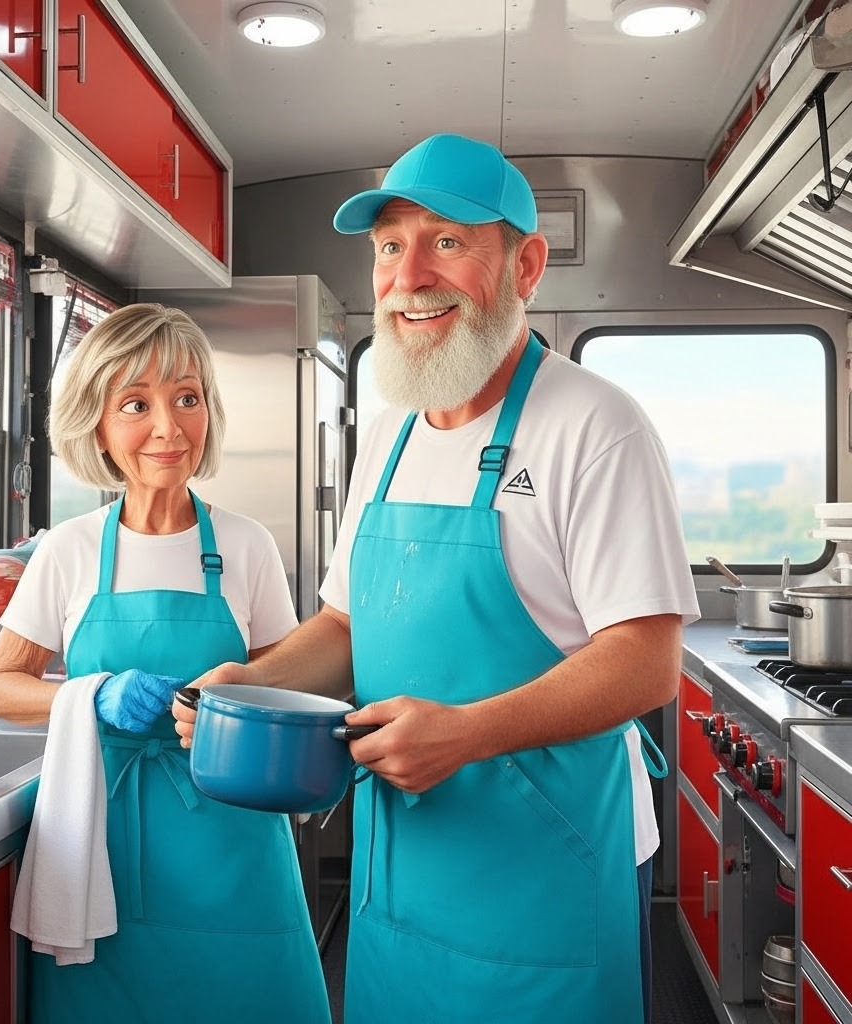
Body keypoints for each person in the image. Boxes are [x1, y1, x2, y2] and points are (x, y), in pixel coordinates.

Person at [174, 133, 700, 1024]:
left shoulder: (596, 426)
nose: (409, 276)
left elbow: (648, 661)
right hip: (402, 865)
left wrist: (469, 733)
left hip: (549, 865)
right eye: (389, 246)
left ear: (525, 266)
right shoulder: (390, 433)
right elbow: (346, 626)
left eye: (447, 242)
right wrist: (248, 684)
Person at [0, 303, 331, 1024]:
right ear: (98, 426)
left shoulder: (247, 545)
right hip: (100, 849)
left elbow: (288, 684)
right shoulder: (69, 549)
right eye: (136, 404)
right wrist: (95, 694)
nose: (169, 428)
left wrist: (249, 715)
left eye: (187, 398)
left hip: (234, 842)